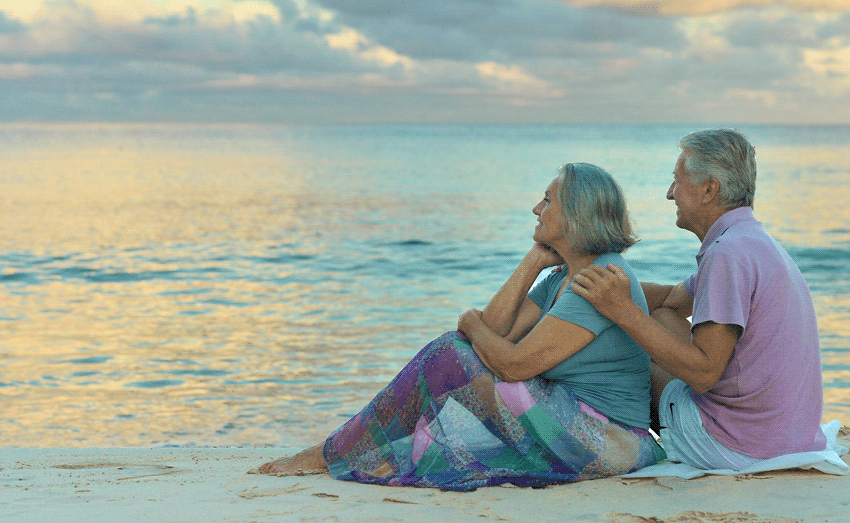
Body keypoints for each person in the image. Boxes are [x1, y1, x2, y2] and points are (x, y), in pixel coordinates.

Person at [251, 163, 664, 491]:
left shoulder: (599, 280)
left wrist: (468, 320)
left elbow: (512, 364)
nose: (536, 209)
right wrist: (533, 261)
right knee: (438, 429)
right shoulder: (563, 276)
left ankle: (329, 453)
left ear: (576, 213)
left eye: (547, 200)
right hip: (573, 421)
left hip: (608, 440)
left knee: (450, 352)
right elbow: (496, 331)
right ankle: (339, 449)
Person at [571, 129, 827, 471]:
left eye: (678, 180)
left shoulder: (728, 254)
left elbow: (705, 373)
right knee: (662, 316)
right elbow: (674, 300)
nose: (669, 193)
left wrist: (622, 311)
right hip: (787, 437)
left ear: (709, 190)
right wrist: (587, 278)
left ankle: (572, 438)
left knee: (619, 365)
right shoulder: (749, 240)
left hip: (737, 446)